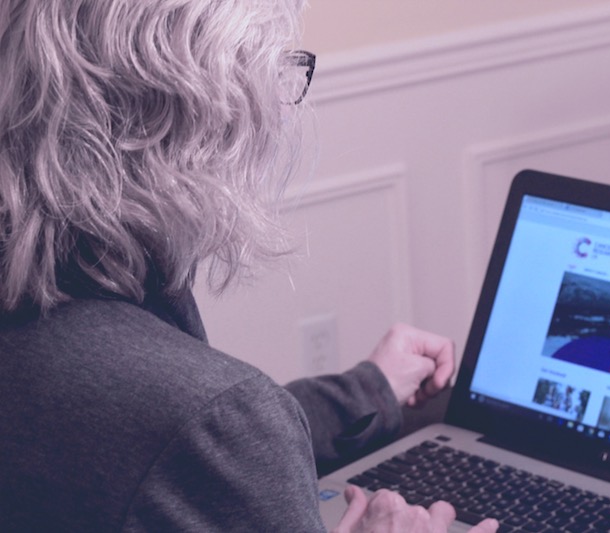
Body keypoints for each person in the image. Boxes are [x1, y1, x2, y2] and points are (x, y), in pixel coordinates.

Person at [0, 1, 498, 532]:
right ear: (194, 113)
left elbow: (153, 443)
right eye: (276, 73)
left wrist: (368, 391)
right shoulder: (209, 418)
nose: (283, 109)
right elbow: (199, 433)